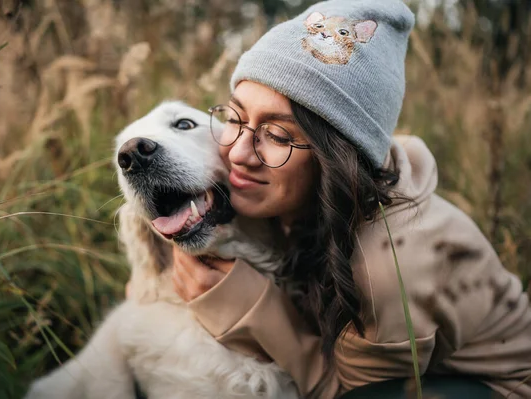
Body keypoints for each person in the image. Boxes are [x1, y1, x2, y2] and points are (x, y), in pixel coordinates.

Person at [153, 0, 531, 397]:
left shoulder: (388, 268)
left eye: (278, 136)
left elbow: (350, 394)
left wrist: (246, 306)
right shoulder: (289, 189)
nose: (238, 153)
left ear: (337, 162)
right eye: (234, 117)